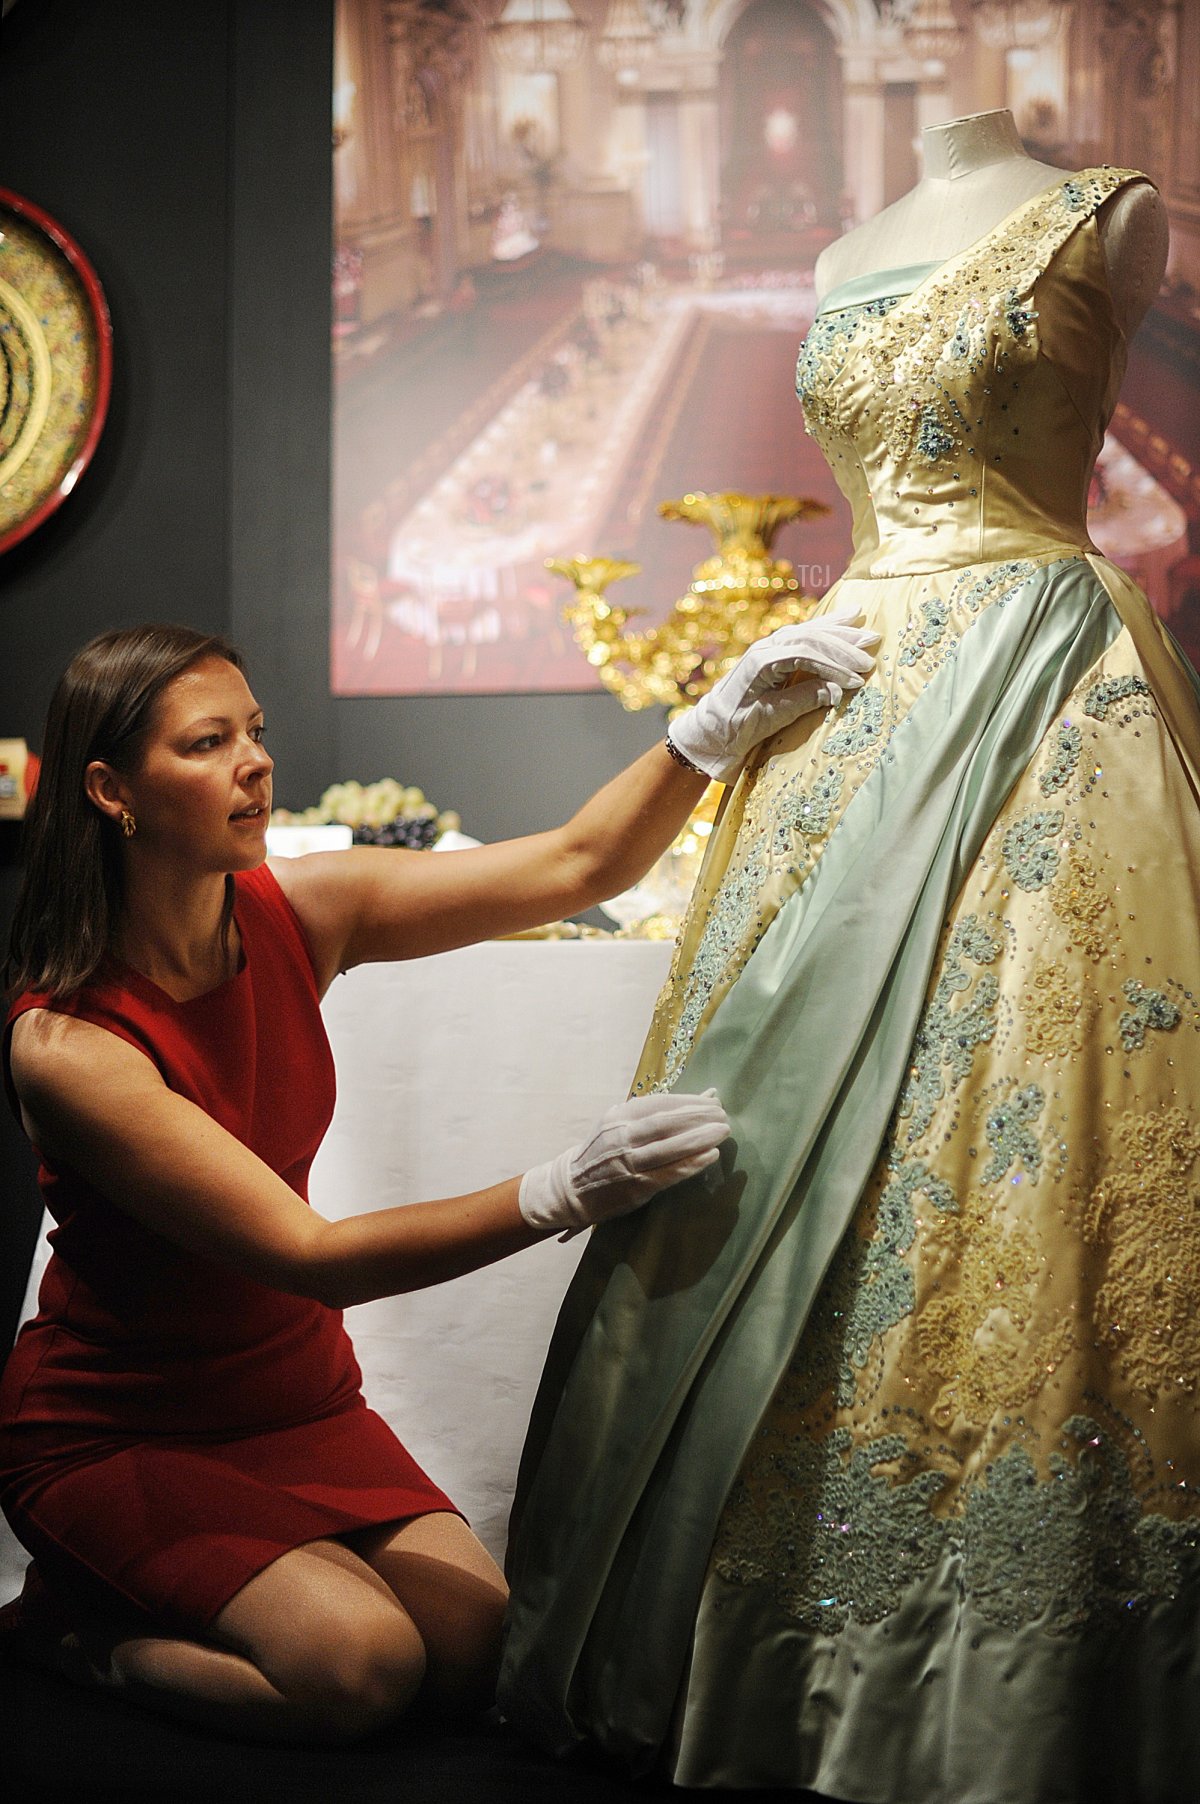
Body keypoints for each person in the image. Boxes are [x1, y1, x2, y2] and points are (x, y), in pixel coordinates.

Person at [499, 117, 1200, 1803]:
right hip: (850, 696)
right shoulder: (840, 250)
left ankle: (1018, 1663)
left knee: (1025, 1126)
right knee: (792, 1130)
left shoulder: (1106, 217)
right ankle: (750, 1631)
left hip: (1046, 693)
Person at [0, 608, 875, 1746]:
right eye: (207, 743)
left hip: (289, 1400)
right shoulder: (67, 1047)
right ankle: (81, 1642)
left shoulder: (302, 907)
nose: (256, 759)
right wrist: (560, 1188)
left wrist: (706, 732)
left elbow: (576, 863)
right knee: (360, 1672)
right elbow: (306, 1258)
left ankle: (193, 1597)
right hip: (122, 1427)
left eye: (254, 730)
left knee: (471, 1657)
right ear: (112, 790)